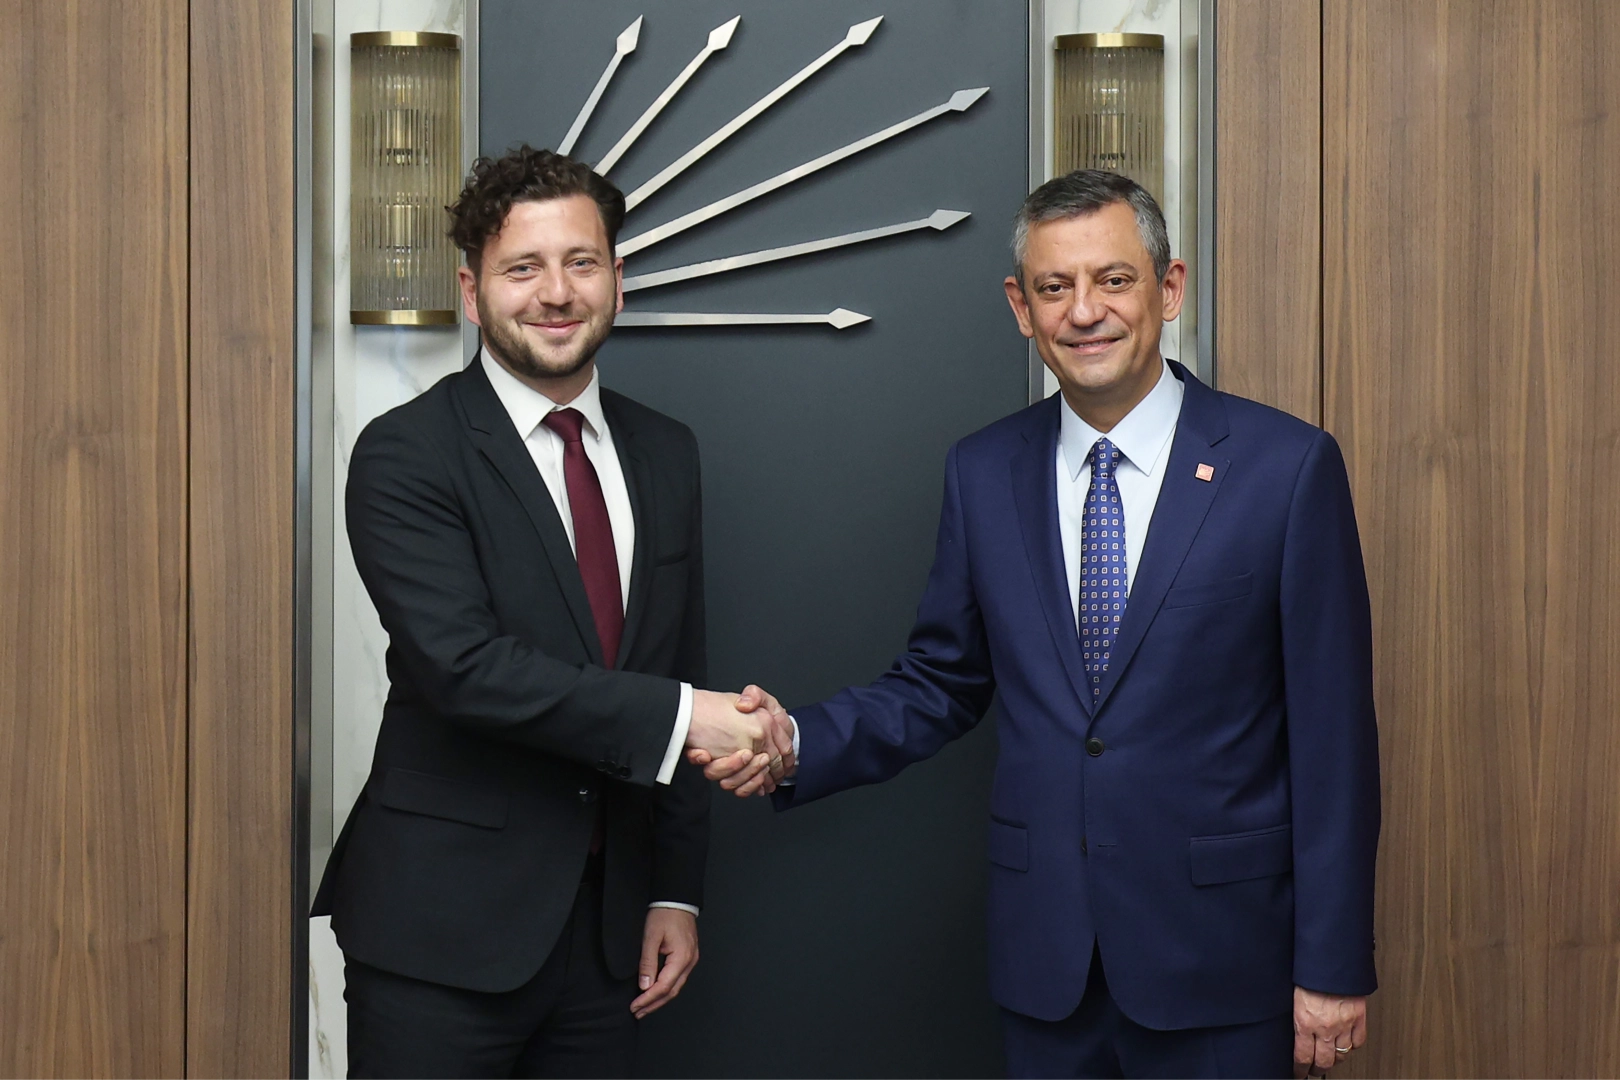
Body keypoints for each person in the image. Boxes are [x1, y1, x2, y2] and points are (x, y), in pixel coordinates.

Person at [700, 170, 1380, 1079]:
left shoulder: (1285, 468)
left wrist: (1332, 965)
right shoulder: (984, 472)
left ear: (1169, 288)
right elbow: (941, 680)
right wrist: (796, 740)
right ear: (1023, 308)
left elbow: (1334, 740)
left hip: (1224, 962)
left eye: (1114, 279)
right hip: (1049, 967)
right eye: (1055, 287)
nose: (1085, 311)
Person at [312, 145, 793, 1080]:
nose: (557, 293)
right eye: (522, 268)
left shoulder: (666, 452)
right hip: (440, 934)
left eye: (581, 263)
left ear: (618, 279)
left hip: (609, 939)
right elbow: (465, 670)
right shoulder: (406, 453)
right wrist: (688, 717)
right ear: (471, 290)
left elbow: (678, 662)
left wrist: (675, 892)